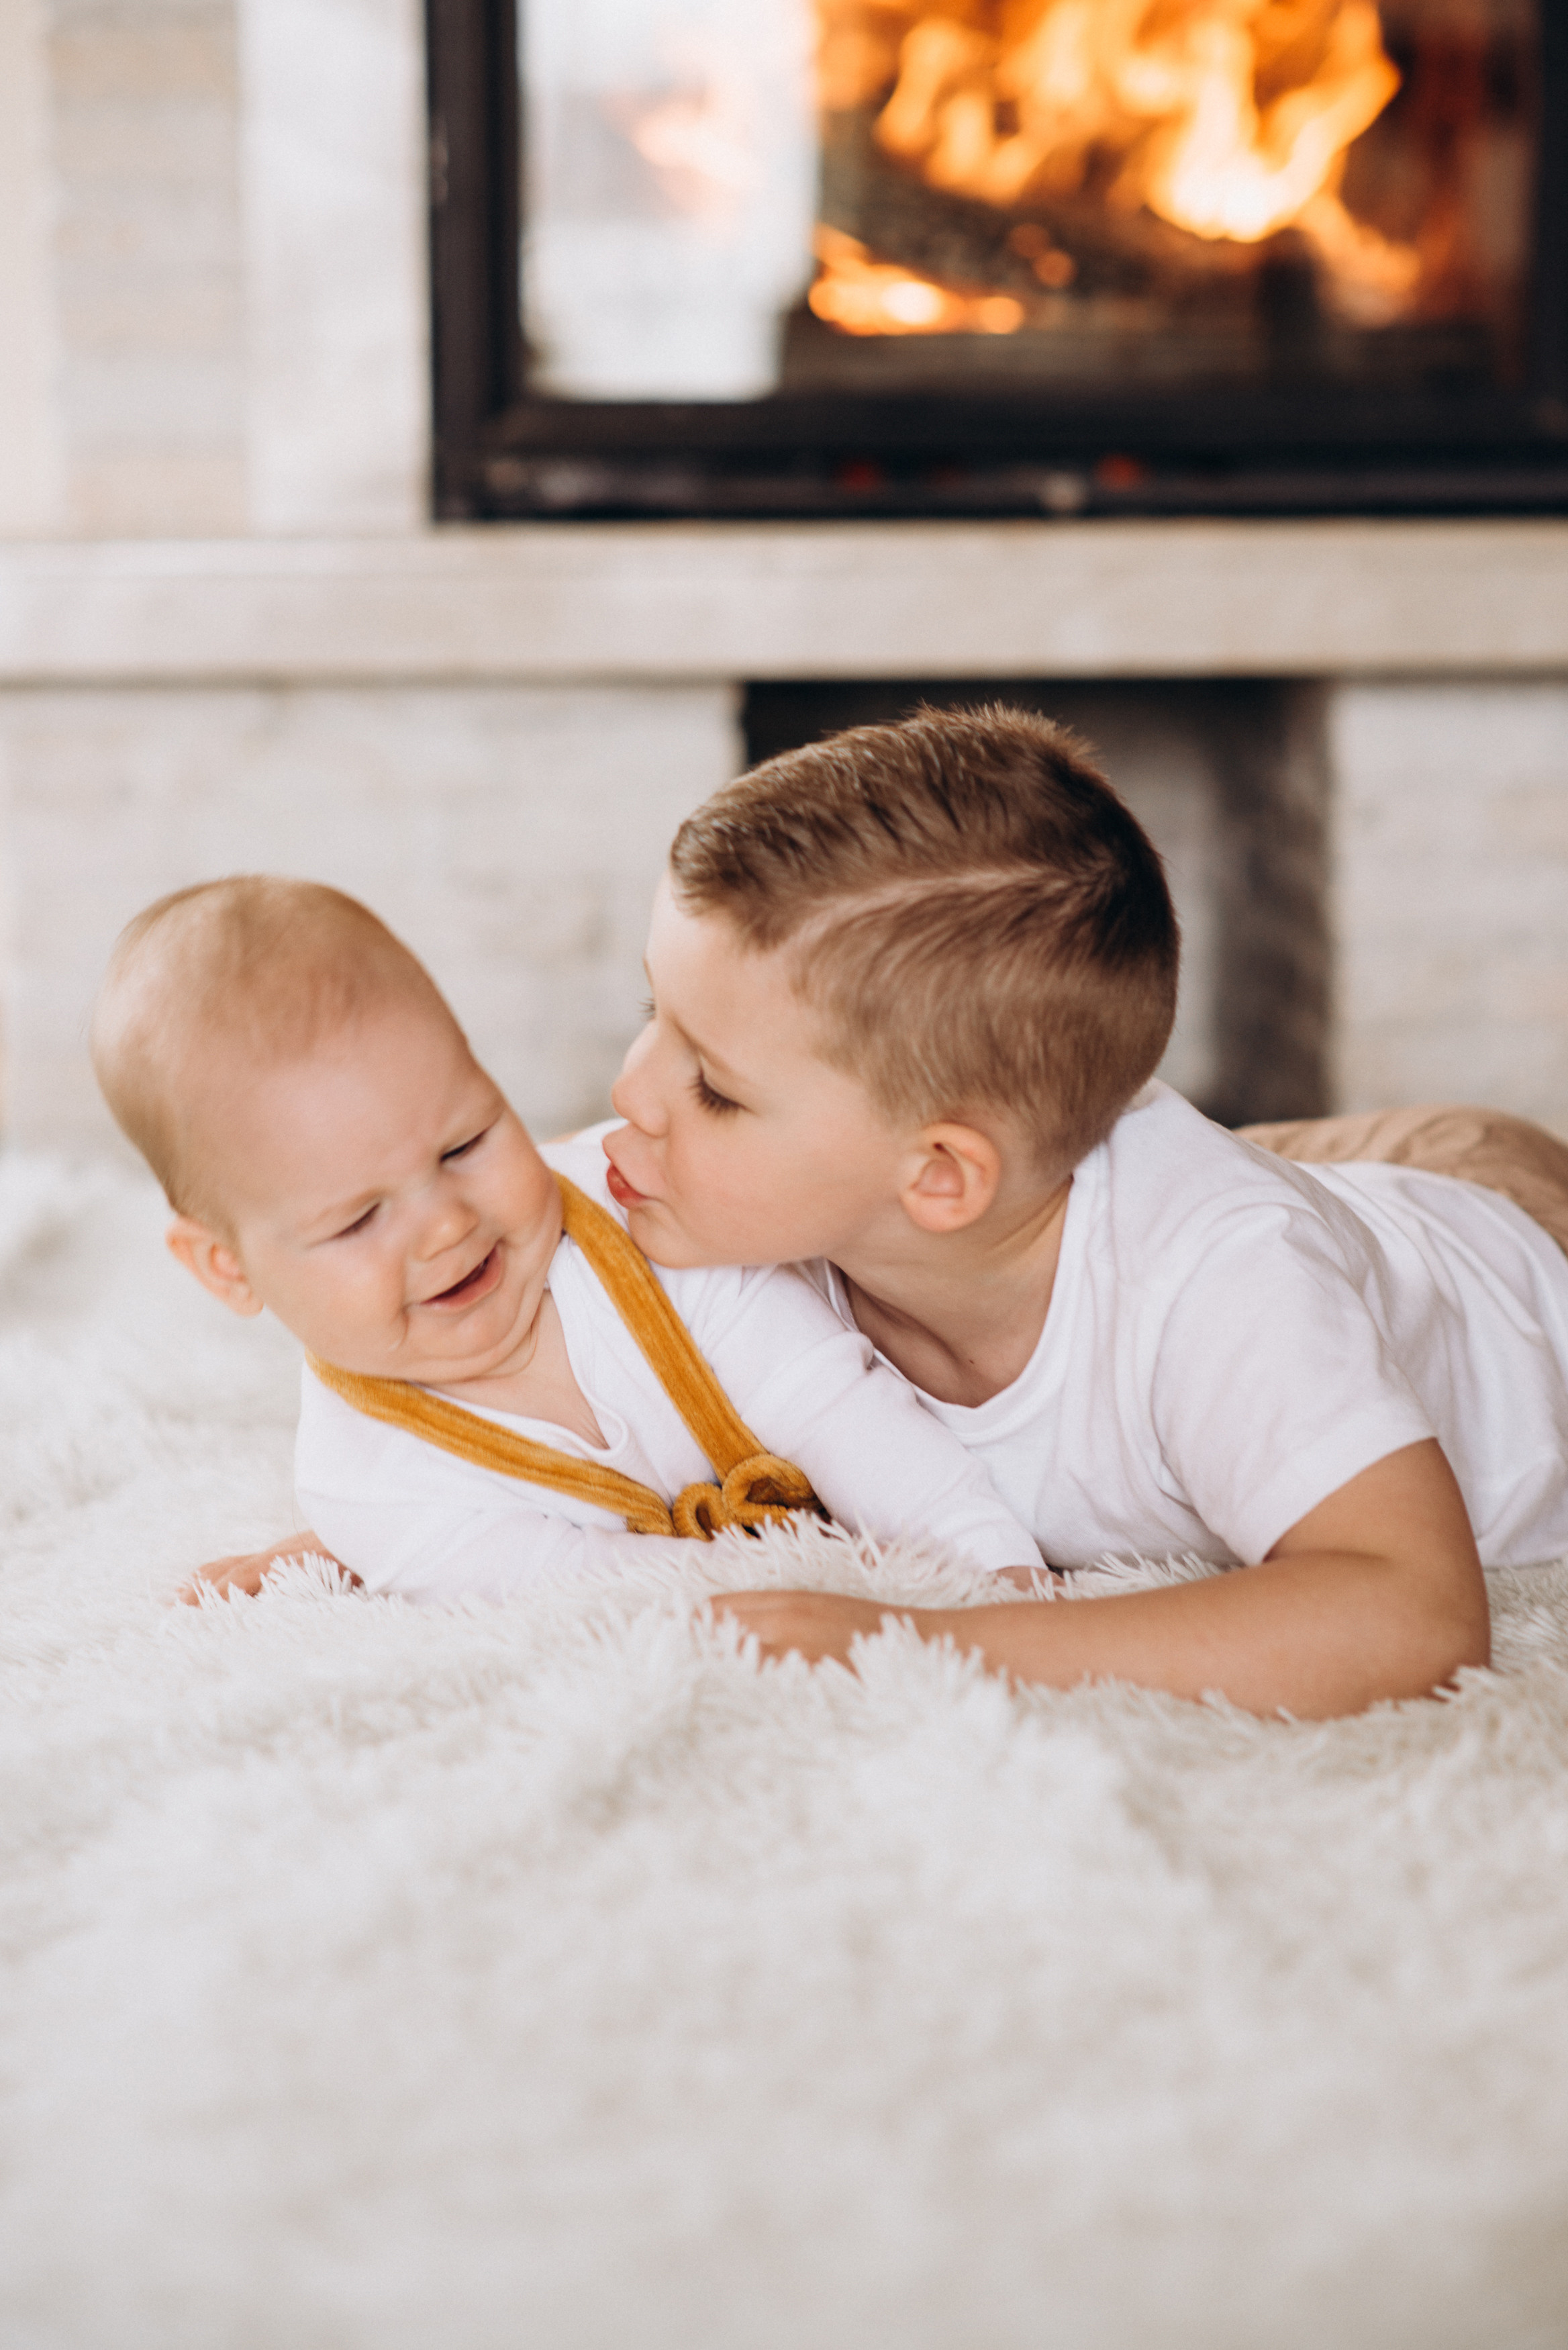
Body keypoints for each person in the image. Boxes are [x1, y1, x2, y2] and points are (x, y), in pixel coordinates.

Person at [587, 703, 1568, 1719]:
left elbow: (1416, 1618)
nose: (627, 1092)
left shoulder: (1224, 1290)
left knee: (1264, 1215)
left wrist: (932, 1638)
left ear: (937, 1176)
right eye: (653, 1013)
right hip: (1302, 1178)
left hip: (1514, 1230)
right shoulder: (792, 1225)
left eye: (714, 1087)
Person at [90, 878, 1044, 1607]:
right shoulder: (367, 1480)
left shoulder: (652, 1223)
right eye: (358, 1219)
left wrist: (992, 1563)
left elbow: (838, 1409)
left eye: (466, 1142)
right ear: (229, 1267)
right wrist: (371, 1548)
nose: (448, 1223)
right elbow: (604, 1588)